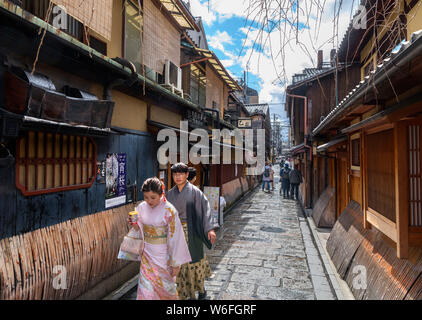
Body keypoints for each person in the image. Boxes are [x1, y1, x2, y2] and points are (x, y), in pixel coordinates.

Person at [130, 177, 191, 300]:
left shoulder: (169, 210)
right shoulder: (141, 207)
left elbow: (175, 236)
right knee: (146, 290)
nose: (149, 201)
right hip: (147, 254)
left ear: (161, 194)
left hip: (163, 255)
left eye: (153, 197)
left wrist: (176, 263)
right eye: (146, 197)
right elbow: (139, 229)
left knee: (165, 291)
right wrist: (135, 225)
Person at [166, 163, 219, 300]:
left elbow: (206, 210)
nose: (177, 177)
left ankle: (201, 290)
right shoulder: (170, 194)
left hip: (192, 232)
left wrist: (210, 229)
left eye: (181, 174)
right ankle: (182, 294)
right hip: (176, 233)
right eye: (175, 174)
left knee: (194, 262)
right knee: (179, 264)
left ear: (187, 175)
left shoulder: (195, 192)